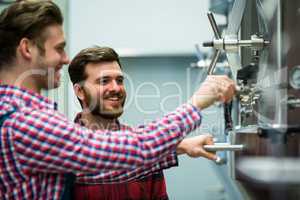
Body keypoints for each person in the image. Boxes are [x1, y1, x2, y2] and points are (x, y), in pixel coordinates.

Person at [0, 1, 236, 199]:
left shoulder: (17, 115)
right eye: (59, 48)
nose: (65, 58)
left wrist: (178, 146)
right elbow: (126, 151)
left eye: (119, 80)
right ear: (27, 48)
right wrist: (196, 103)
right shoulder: (25, 122)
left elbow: (104, 165)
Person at [68, 46, 227, 200]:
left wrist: (172, 147)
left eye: (120, 80)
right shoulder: (66, 146)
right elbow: (125, 155)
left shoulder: (149, 150)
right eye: (104, 81)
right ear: (80, 91)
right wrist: (195, 106)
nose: (116, 88)